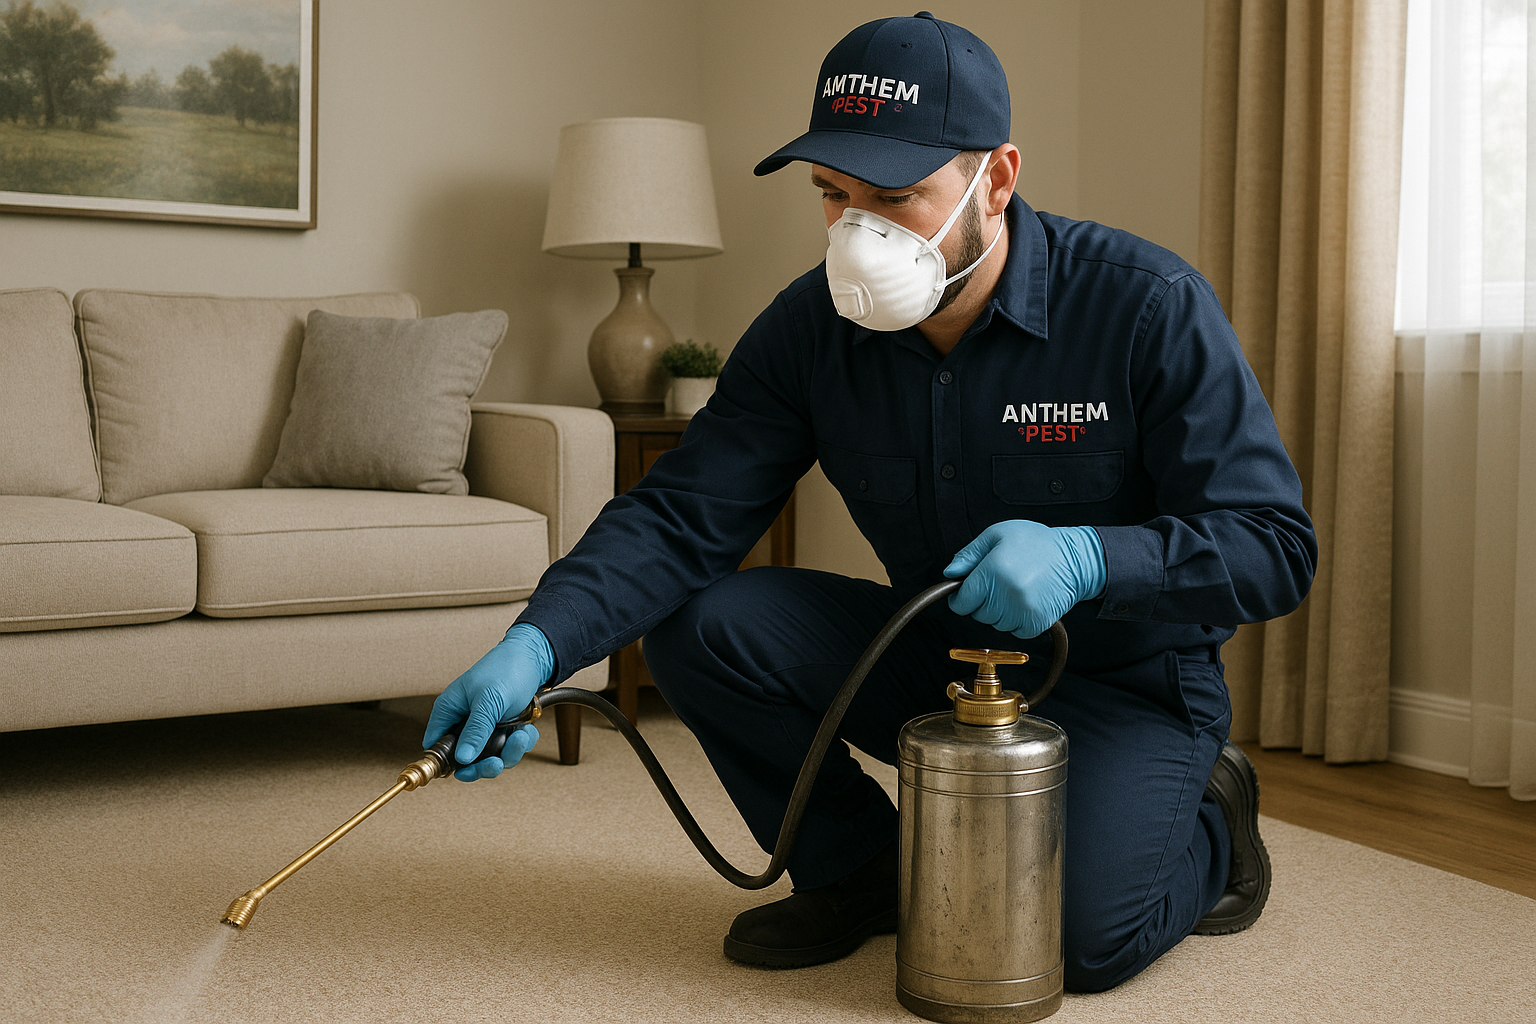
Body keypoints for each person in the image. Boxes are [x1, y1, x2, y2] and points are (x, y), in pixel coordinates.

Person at [426, 11, 1316, 993]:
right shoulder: (810, 329)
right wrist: (537, 645)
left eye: (896, 195)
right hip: (938, 646)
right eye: (834, 194)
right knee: (704, 624)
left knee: (1067, 944)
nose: (861, 230)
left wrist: (1090, 559)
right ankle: (857, 871)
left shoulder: (1146, 305)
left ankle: (1213, 821)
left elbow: (1273, 544)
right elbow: (682, 513)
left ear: (999, 179)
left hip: (1127, 681)